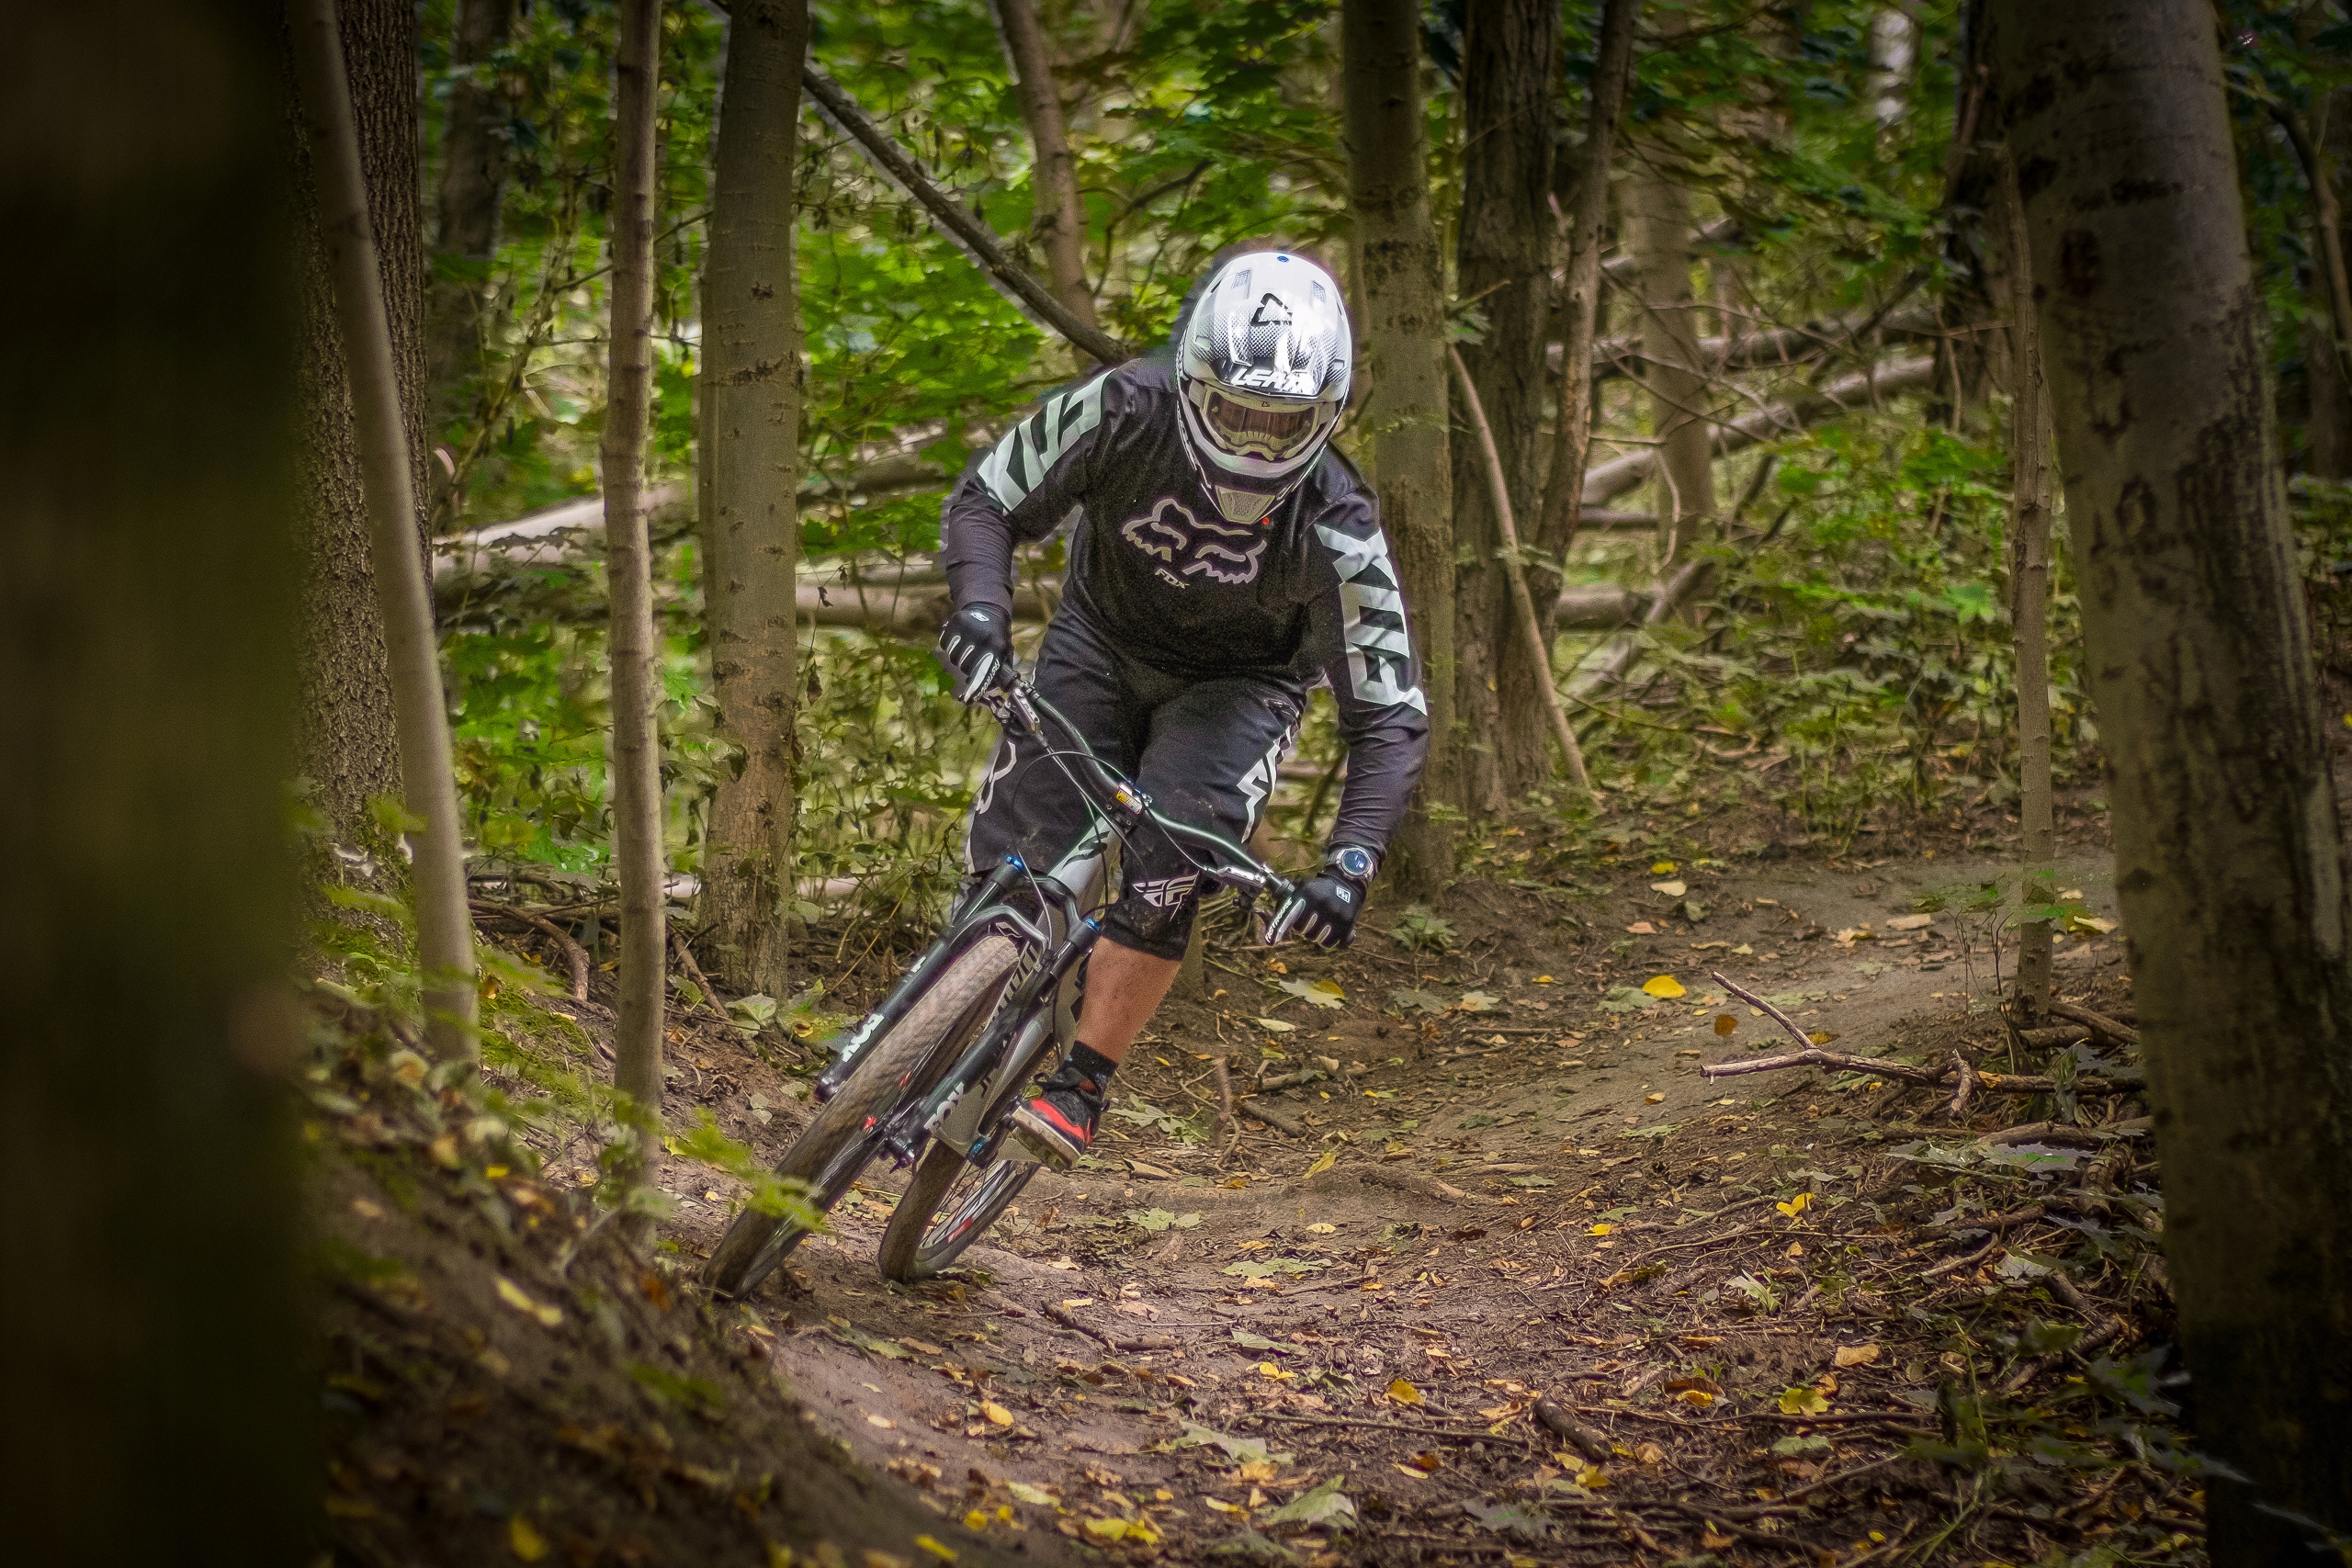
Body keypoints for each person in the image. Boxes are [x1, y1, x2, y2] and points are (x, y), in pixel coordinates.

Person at [934, 250, 1429, 1168]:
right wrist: (980, 611)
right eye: (1238, 413)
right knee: (1016, 854)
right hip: (1099, 641)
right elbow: (989, 498)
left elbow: (1388, 712)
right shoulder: (1123, 407)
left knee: (1172, 859)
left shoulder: (1339, 525)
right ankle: (940, 1012)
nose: (1258, 445)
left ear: (1326, 414)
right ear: (1194, 382)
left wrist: (1350, 864)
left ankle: (1082, 1082)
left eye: (1285, 423)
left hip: (1239, 690)